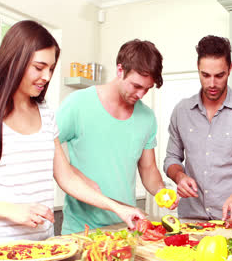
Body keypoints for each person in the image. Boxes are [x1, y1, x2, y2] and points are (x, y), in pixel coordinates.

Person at [0, 20, 146, 254]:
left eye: (50, 69)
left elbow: (66, 177)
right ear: (14, 61)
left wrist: (118, 208)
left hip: (45, 250)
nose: (46, 76)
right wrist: (13, 210)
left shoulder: (46, 115)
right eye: (39, 67)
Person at [57, 39, 177, 235]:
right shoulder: (78, 104)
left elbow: (148, 168)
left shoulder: (147, 118)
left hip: (126, 228)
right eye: (136, 86)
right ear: (120, 70)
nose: (141, 94)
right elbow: (43, 148)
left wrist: (162, 191)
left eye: (147, 88)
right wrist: (75, 175)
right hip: (81, 230)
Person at [163, 35, 232, 220]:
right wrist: (179, 176)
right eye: (205, 75)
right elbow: (171, 158)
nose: (212, 84)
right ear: (198, 68)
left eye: (219, 75)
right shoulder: (181, 111)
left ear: (230, 69)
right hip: (191, 218)